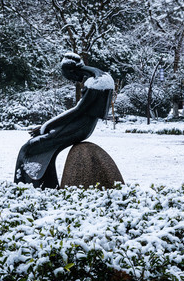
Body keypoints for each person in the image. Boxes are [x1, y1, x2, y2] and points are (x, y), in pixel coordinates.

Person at [14, 52, 114, 188]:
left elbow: (78, 111)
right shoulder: (103, 78)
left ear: (72, 70)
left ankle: (31, 185)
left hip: (81, 126)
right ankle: (44, 184)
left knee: (29, 148)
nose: (73, 81)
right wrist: (48, 127)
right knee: (36, 146)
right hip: (81, 124)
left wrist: (46, 126)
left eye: (69, 77)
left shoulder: (96, 83)